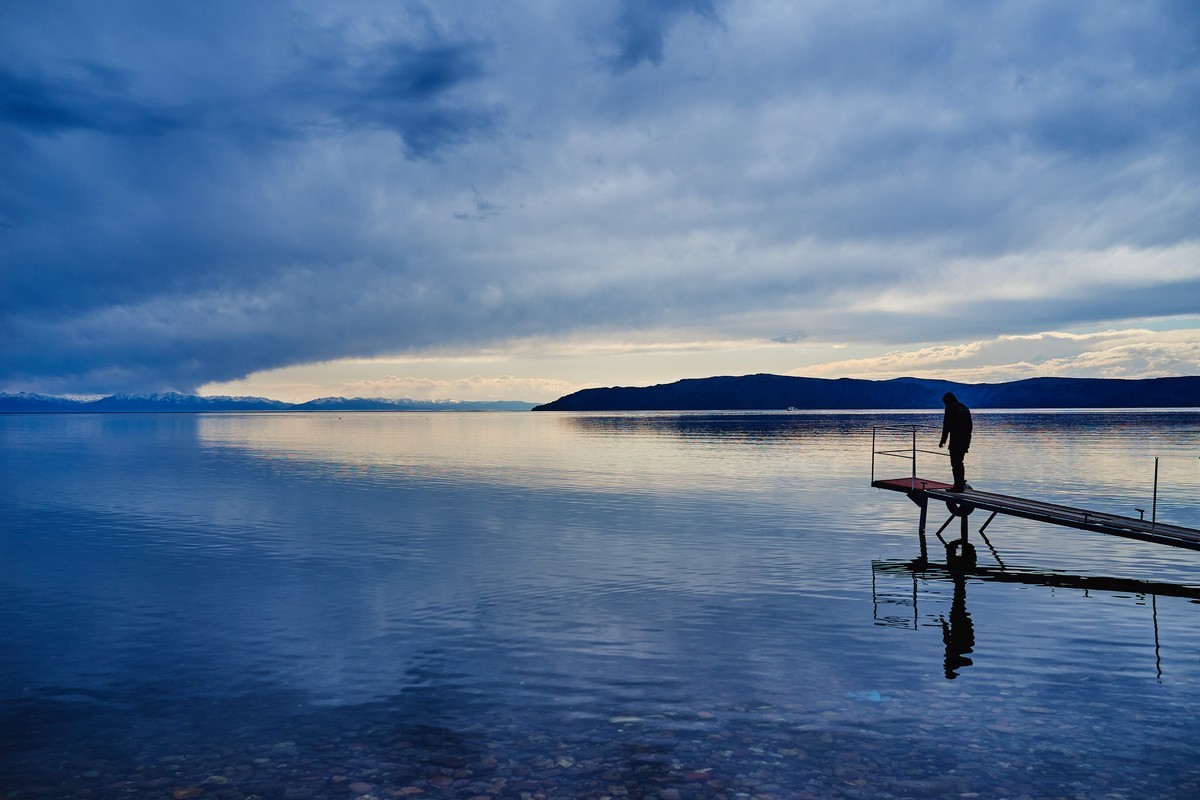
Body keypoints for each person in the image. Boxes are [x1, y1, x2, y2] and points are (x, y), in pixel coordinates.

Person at [938, 392, 972, 492]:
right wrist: (968, 440)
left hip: (956, 440)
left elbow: (947, 426)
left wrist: (942, 441)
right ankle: (960, 482)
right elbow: (970, 426)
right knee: (960, 462)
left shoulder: (950, 408)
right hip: (965, 439)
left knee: (955, 463)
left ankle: (958, 485)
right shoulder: (965, 407)